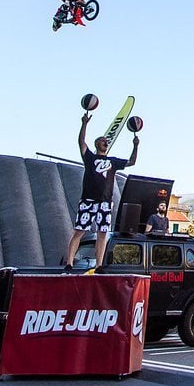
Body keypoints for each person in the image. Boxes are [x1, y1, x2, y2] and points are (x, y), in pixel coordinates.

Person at [62, 110, 139, 271]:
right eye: (103, 140)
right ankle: (69, 262)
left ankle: (99, 265)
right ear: (97, 144)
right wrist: (84, 124)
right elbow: (81, 142)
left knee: (102, 234)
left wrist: (135, 145)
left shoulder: (113, 161)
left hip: (105, 203)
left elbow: (132, 161)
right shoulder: (90, 158)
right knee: (79, 231)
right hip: (88, 200)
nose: (105, 142)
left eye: (106, 141)